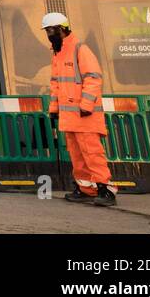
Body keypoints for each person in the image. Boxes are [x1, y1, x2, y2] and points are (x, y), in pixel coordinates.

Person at [44, 12, 117, 206]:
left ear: (63, 29)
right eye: (47, 31)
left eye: (51, 30)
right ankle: (86, 188)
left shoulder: (79, 49)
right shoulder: (58, 54)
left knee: (92, 153)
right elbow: (56, 84)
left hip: (85, 115)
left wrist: (86, 105)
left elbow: (93, 78)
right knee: (77, 155)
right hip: (69, 117)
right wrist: (54, 108)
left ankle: (105, 189)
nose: (49, 34)